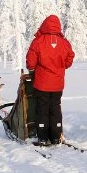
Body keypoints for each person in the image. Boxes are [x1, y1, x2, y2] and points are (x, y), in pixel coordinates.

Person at [26, 14, 75, 146]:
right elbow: (70, 57)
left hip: (41, 83)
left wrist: (32, 69)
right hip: (58, 83)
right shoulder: (64, 43)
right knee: (55, 108)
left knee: (42, 109)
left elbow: (30, 61)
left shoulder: (38, 41)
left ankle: (42, 136)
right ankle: (55, 136)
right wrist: (62, 66)